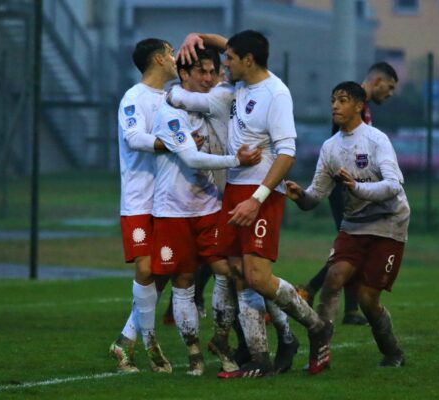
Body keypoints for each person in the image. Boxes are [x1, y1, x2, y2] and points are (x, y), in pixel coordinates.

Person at [175, 30, 332, 377]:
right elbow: (227, 43)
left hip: (261, 194)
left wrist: (257, 199)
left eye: (229, 59)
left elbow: (287, 153)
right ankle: (260, 357)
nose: (223, 64)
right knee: (239, 276)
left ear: (248, 60)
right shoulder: (239, 86)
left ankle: (317, 325)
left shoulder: (276, 93)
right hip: (234, 188)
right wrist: (196, 37)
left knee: (258, 278)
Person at [151, 46, 262, 375]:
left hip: (210, 205)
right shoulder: (170, 111)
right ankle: (194, 354)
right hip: (174, 209)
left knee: (227, 271)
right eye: (202, 71)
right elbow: (192, 159)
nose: (210, 77)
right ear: (184, 74)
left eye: (214, 71)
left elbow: (246, 59)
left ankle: (220, 339)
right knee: (183, 281)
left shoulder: (215, 106)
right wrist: (235, 161)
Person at [285, 81, 410, 368]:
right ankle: (320, 352)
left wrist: (357, 188)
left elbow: (393, 186)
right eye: (333, 100)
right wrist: (300, 197)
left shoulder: (376, 140)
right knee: (333, 279)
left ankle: (393, 353)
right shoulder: (330, 147)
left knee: (367, 299)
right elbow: (316, 195)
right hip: (354, 224)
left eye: (342, 100)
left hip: (389, 223)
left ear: (358, 106)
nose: (335, 106)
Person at [296, 63, 399, 326]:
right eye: (389, 87)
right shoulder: (351, 107)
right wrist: (349, 186)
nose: (390, 94)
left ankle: (349, 310)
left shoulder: (363, 112)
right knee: (349, 249)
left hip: (356, 189)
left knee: (352, 249)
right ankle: (308, 290)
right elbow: (341, 150)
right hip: (345, 190)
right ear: (377, 81)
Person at [108, 38, 178, 374]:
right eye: (172, 53)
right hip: (138, 200)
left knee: (163, 270)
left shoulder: (172, 98)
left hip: (168, 201)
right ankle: (144, 342)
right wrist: (169, 144)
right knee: (147, 269)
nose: (177, 58)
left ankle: (126, 341)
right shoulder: (133, 98)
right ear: (158, 58)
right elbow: (134, 138)